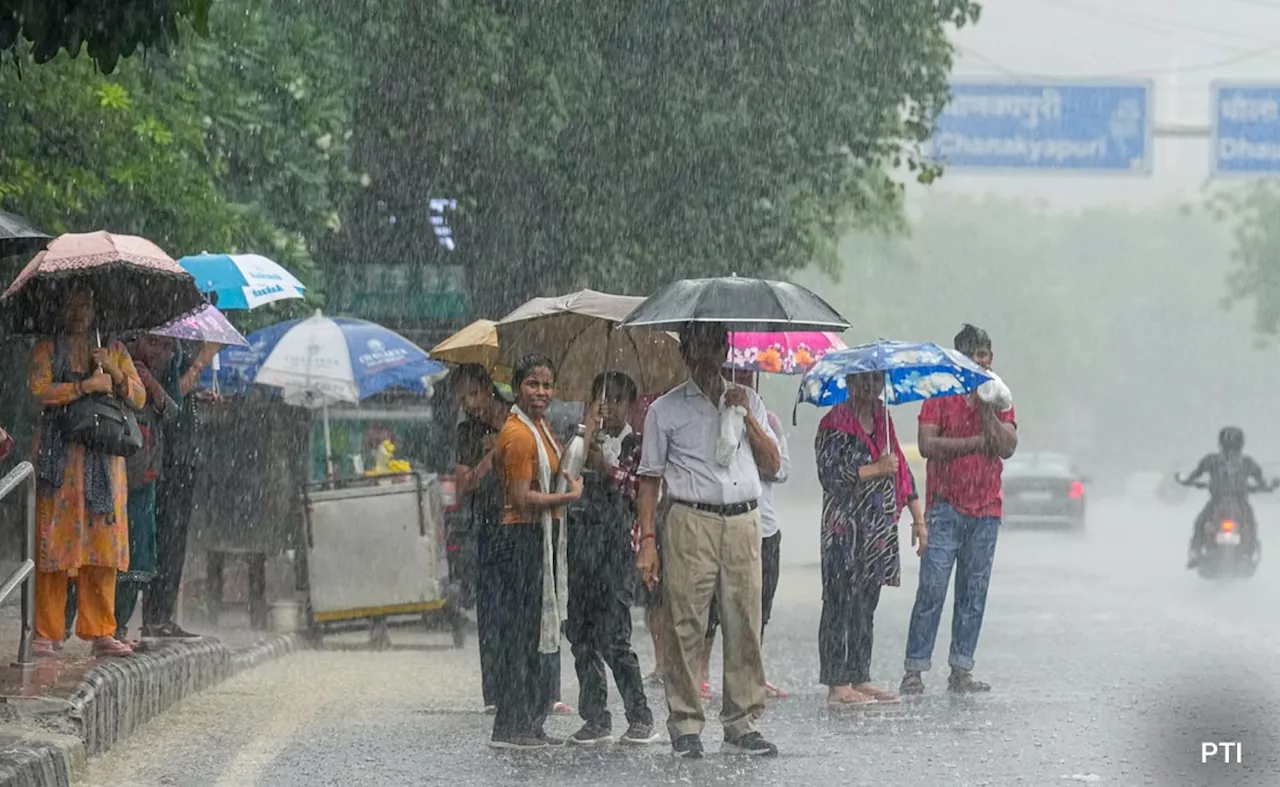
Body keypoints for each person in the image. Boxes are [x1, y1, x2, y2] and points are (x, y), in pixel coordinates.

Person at [635, 321, 781, 759]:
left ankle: (742, 722)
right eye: (698, 346)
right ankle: (685, 724)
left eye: (716, 345)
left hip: (743, 521)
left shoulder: (748, 398)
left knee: (745, 622)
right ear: (685, 352)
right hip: (689, 519)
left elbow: (772, 465)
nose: (708, 356)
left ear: (725, 349)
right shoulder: (666, 410)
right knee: (685, 622)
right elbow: (649, 480)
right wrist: (647, 540)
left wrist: (747, 416)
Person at [901, 323, 1017, 696]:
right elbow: (926, 444)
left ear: (991, 359)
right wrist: (974, 442)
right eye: (971, 356)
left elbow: (1008, 445)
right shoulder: (938, 391)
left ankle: (961, 669)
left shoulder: (999, 397)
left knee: (974, 592)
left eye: (983, 355)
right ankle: (915, 669)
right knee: (932, 588)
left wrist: (986, 413)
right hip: (945, 506)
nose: (978, 362)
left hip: (986, 510)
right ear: (957, 360)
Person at [29, 286, 145, 658]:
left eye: (86, 304)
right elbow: (39, 391)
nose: (80, 311)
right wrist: (83, 387)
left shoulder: (113, 349)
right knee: (54, 547)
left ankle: (100, 631)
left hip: (104, 463)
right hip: (59, 460)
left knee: (103, 548)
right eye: (72, 303)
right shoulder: (49, 349)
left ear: (96, 309)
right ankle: (46, 632)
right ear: (61, 309)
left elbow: (139, 398)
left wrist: (112, 371)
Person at [488, 354, 584, 750]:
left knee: (531, 635)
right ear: (516, 387)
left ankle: (527, 719)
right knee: (519, 636)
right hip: (520, 540)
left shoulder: (540, 426)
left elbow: (557, 466)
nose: (541, 392)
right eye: (533, 384)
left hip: (536, 539)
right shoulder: (520, 434)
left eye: (547, 385)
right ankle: (511, 725)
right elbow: (521, 497)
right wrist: (567, 496)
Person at [817, 372, 927, 705]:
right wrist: (875, 469)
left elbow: (901, 470)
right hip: (844, 529)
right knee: (838, 602)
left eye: (877, 382)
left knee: (866, 604)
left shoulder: (883, 417)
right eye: (864, 382)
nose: (871, 389)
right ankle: (837, 684)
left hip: (877, 528)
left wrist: (918, 519)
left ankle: (859, 675)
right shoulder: (833, 423)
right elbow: (830, 476)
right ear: (849, 384)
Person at [564, 371, 661, 745]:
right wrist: (587, 432)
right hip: (581, 545)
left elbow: (634, 487)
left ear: (632, 403)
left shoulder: (637, 444)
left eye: (619, 399)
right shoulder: (582, 437)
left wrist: (601, 464)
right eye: (605, 399)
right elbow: (565, 472)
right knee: (581, 635)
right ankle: (595, 717)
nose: (612, 406)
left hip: (617, 547)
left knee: (615, 636)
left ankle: (639, 716)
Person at [698, 369, 789, 701]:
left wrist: (748, 419)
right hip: (718, 521)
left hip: (762, 524)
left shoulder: (767, 417)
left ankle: (753, 675)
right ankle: (702, 672)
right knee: (710, 607)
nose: (742, 380)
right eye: (735, 374)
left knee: (757, 609)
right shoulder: (708, 414)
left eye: (749, 375)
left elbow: (779, 469)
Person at [142, 338, 218, 640]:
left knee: (176, 538)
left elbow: (181, 395)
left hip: (183, 456)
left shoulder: (176, 346)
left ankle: (163, 614)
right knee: (166, 536)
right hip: (167, 458)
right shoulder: (165, 346)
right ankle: (156, 615)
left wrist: (198, 397)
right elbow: (170, 400)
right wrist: (203, 359)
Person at [114, 335, 181, 640]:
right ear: (138, 338)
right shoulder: (115, 355)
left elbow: (172, 413)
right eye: (154, 343)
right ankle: (97, 626)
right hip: (113, 473)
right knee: (108, 555)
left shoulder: (166, 367)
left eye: (167, 347)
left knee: (139, 558)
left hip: (146, 477)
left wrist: (152, 384)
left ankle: (119, 624)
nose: (161, 352)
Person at [452, 364, 509, 713]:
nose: (470, 404)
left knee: (526, 610)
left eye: (473, 394)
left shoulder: (519, 416)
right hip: (488, 524)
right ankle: (495, 693)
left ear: (488, 389)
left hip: (525, 521)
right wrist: (493, 454)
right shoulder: (467, 433)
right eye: (463, 398)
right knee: (491, 611)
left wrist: (507, 437)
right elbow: (466, 483)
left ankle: (540, 690)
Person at [1179, 426, 1274, 568]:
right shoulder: (1245, 462)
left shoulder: (1213, 460)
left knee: (1201, 522)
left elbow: (1195, 474)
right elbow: (1262, 481)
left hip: (1219, 501)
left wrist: (1187, 480)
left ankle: (1196, 552)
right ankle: (1250, 552)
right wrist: (1267, 487)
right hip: (1237, 502)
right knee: (1250, 523)